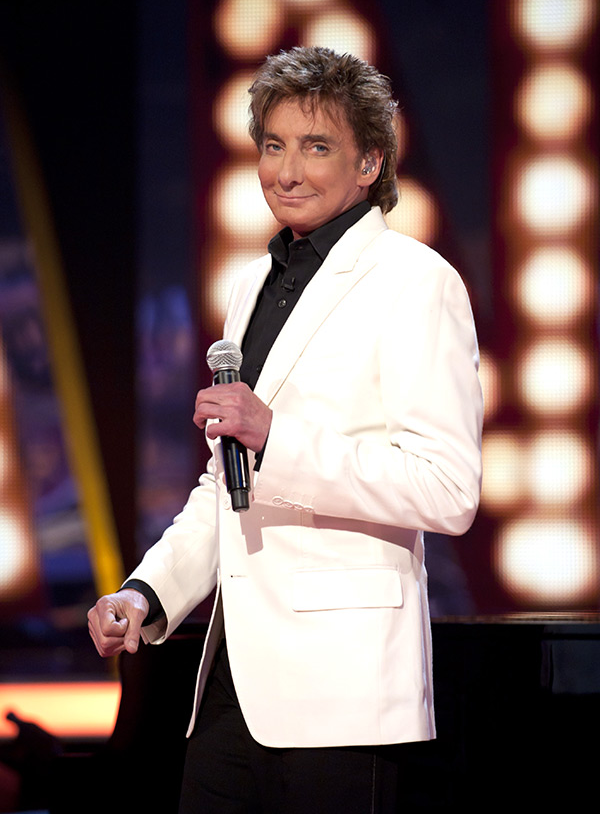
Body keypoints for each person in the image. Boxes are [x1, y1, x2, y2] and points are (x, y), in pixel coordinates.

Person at [88, 46, 483, 813]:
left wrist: (277, 438)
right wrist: (145, 594)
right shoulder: (253, 285)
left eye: (317, 146)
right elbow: (227, 485)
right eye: (274, 145)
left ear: (370, 163)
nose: (287, 171)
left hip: (343, 692)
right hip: (233, 686)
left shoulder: (416, 282)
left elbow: (448, 489)